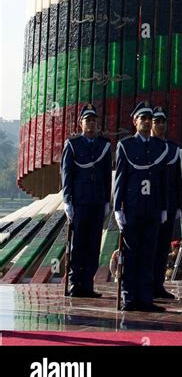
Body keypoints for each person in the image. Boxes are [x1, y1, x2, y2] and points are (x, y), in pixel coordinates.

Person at [113, 101, 169, 312]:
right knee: (130, 254)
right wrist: (118, 207)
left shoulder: (160, 147)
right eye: (142, 118)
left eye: (148, 118)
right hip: (133, 209)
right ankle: (129, 298)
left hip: (153, 208)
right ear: (135, 122)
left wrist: (164, 207)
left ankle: (146, 299)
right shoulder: (125, 146)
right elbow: (120, 178)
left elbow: (163, 180)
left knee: (148, 255)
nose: (146, 122)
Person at [60, 104, 112, 298]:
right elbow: (67, 174)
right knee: (78, 244)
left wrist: (107, 200)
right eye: (87, 120)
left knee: (93, 244)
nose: (91, 123)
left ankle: (88, 284)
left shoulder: (104, 145)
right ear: (80, 123)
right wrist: (67, 200)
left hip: (97, 201)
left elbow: (107, 175)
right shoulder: (73, 144)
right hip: (79, 201)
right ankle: (74, 283)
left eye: (93, 120)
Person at [151, 106, 182, 300]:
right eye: (157, 122)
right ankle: (145, 284)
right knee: (149, 247)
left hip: (169, 205)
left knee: (163, 247)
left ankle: (158, 284)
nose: (160, 125)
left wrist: (178, 204)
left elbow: (177, 178)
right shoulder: (147, 146)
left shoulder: (172, 148)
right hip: (151, 205)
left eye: (163, 121)